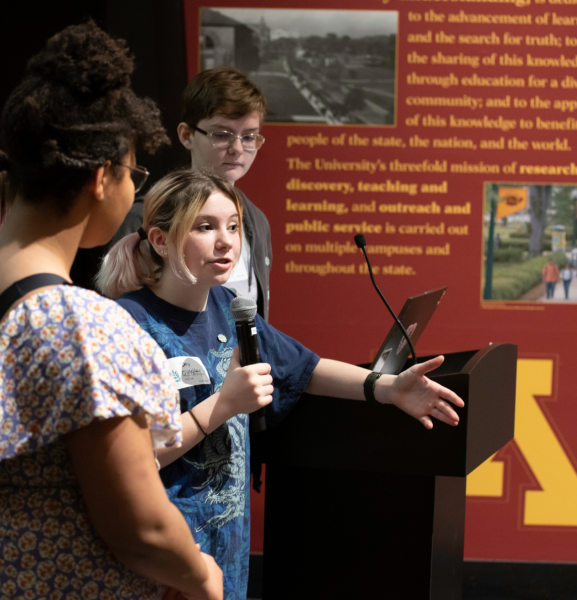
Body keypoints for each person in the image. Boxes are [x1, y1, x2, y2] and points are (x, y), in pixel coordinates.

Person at [96, 168, 465, 600]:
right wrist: (225, 404)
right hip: (166, 547)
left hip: (227, 542)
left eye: (233, 226)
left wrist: (384, 387)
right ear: (160, 240)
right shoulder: (127, 323)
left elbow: (304, 366)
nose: (226, 241)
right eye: (205, 226)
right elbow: (137, 455)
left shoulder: (229, 306)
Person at [0, 22, 222, 600]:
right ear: (103, 178)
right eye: (135, 175)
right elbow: (142, 530)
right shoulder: (77, 324)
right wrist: (203, 576)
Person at [176, 67, 271, 321]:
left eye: (249, 136)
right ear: (187, 135)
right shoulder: (149, 217)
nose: (237, 149)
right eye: (222, 135)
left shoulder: (257, 221)